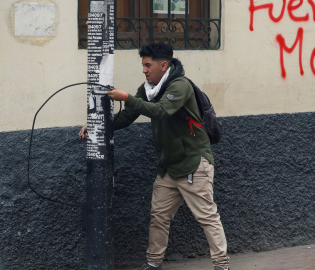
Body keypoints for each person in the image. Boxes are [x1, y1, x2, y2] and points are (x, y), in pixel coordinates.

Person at [79, 42, 229, 270]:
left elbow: (160, 110)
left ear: (164, 65)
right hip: (168, 167)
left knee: (207, 217)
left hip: (192, 164)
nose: (144, 70)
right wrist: (97, 126)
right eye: (143, 65)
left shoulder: (180, 86)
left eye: (148, 65)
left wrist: (127, 97)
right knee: (159, 217)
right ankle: (153, 263)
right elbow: (128, 116)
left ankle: (222, 265)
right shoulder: (148, 88)